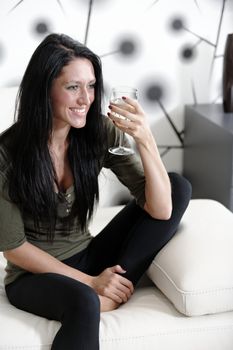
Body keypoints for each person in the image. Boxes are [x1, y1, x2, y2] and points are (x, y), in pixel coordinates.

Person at [0, 33, 192, 350]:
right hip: (33, 278)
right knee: (85, 301)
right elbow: (14, 249)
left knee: (178, 187)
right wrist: (91, 282)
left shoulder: (100, 133)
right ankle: (106, 295)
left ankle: (116, 288)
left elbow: (160, 210)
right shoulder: (8, 155)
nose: (86, 98)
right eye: (73, 87)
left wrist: (146, 139)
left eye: (91, 86)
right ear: (44, 89)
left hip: (88, 255)